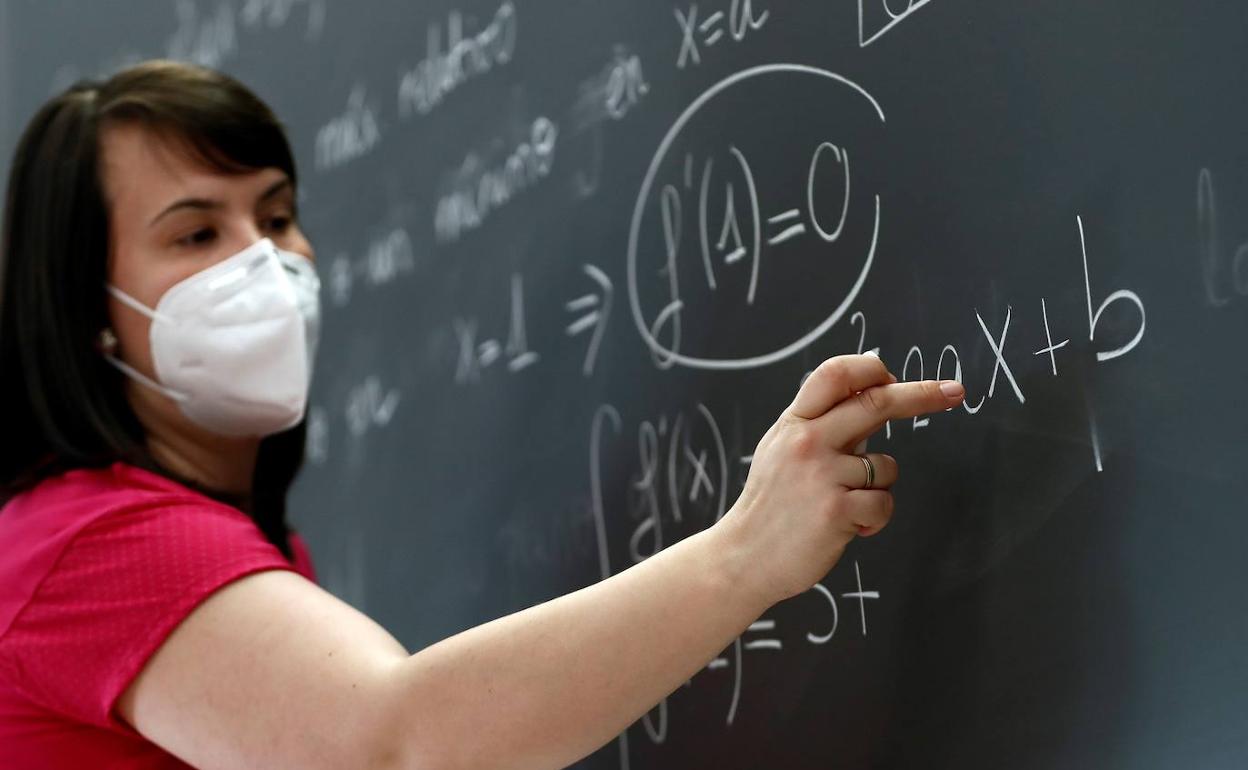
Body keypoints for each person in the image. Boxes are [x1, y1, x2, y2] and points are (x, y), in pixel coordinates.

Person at [0, 60, 966, 769]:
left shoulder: (212, 541)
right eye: (198, 232)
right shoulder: (93, 543)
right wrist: (745, 554)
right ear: (89, 316)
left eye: (279, 215)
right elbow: (391, 744)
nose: (268, 262)